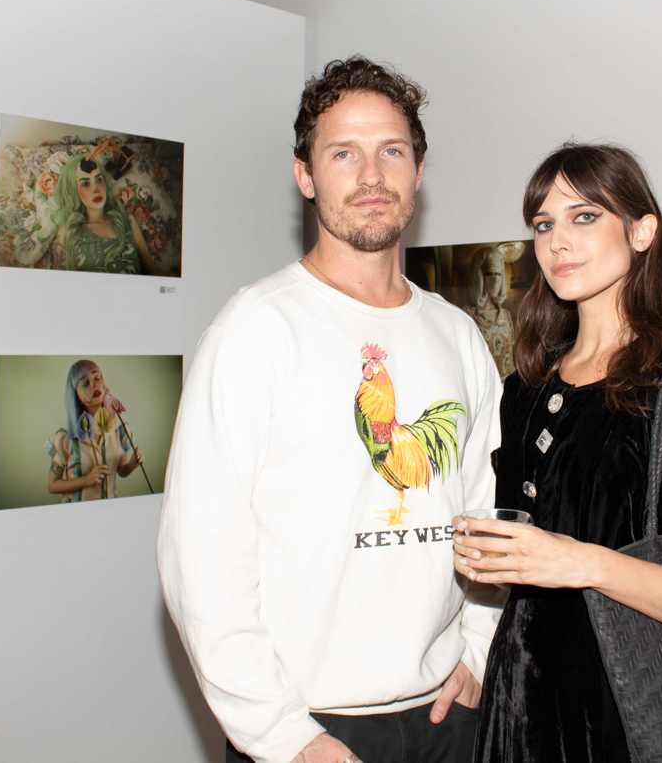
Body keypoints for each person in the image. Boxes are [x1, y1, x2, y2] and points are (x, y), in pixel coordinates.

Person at [157, 56, 502, 763]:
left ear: (419, 170)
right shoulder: (255, 328)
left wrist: (478, 648)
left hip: (447, 714)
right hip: (310, 730)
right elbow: (202, 555)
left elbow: (488, 510)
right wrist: (283, 736)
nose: (371, 175)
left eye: (391, 151)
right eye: (344, 153)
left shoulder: (458, 334)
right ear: (305, 176)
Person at [451, 143, 662, 762]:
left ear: (642, 231)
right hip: (520, 699)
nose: (557, 242)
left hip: (625, 705)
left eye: (585, 216)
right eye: (544, 224)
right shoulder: (524, 388)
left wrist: (582, 562)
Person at [45, 359, 144, 502]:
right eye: (85, 383)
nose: (94, 384)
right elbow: (52, 485)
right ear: (77, 397)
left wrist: (131, 465)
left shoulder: (120, 429)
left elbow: (121, 470)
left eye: (97, 378)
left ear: (104, 385)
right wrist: (87, 480)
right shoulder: (65, 438)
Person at [48, 154, 156, 274]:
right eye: (85, 183)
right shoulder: (67, 231)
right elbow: (57, 282)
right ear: (73, 190)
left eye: (99, 180)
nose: (96, 189)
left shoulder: (127, 221)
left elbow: (153, 273)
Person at [461, 246, 516, 379]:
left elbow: (510, 364)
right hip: (482, 388)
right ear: (478, 275)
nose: (495, 279)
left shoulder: (506, 316)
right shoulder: (467, 316)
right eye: (489, 273)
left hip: (506, 388)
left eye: (498, 274)